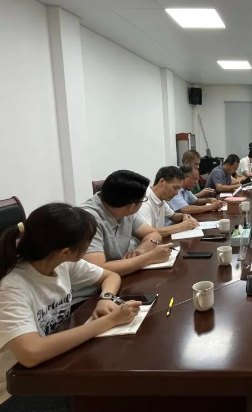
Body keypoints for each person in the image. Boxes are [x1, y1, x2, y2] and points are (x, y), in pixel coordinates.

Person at [0, 204, 140, 408]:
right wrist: (110, 321)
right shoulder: (12, 287)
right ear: (65, 251)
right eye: (87, 244)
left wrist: (106, 298)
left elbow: (111, 276)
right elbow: (31, 353)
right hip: (14, 386)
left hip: (53, 364)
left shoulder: (60, 262)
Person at [81, 170, 174, 276]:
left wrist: (141, 250)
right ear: (132, 206)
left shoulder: (123, 208)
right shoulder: (87, 221)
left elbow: (152, 234)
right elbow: (97, 270)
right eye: (144, 200)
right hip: (99, 284)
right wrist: (150, 257)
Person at [137, 166, 199, 237]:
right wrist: (181, 226)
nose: (176, 193)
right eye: (175, 188)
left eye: (178, 189)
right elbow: (147, 233)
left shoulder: (161, 199)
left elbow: (173, 216)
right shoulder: (144, 201)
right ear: (162, 182)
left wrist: (185, 216)